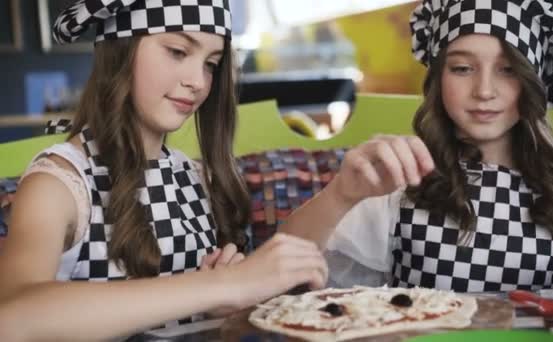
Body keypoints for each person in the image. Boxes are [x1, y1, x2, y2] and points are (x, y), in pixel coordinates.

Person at [0, 1, 327, 340]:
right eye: (177, 51)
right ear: (120, 50)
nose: (198, 81)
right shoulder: (58, 183)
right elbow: (12, 318)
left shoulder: (196, 177)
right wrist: (220, 285)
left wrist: (228, 309)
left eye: (211, 65)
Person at [281, 0, 553, 292]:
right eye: (462, 68)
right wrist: (340, 194)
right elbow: (284, 268)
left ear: (534, 83)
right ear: (438, 80)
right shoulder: (403, 169)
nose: (484, 90)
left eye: (508, 69)